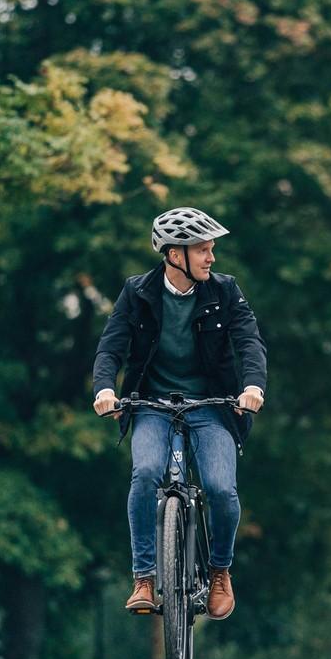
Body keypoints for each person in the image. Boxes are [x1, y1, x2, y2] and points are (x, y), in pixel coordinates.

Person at [92, 207, 267, 619]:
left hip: (211, 406)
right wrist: (104, 389)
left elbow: (249, 342)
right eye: (203, 250)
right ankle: (144, 578)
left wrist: (252, 387)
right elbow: (111, 346)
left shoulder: (225, 291)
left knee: (221, 489)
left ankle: (219, 573)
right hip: (151, 405)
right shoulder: (137, 292)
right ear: (175, 255)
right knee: (146, 473)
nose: (211, 258)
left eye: (211, 249)